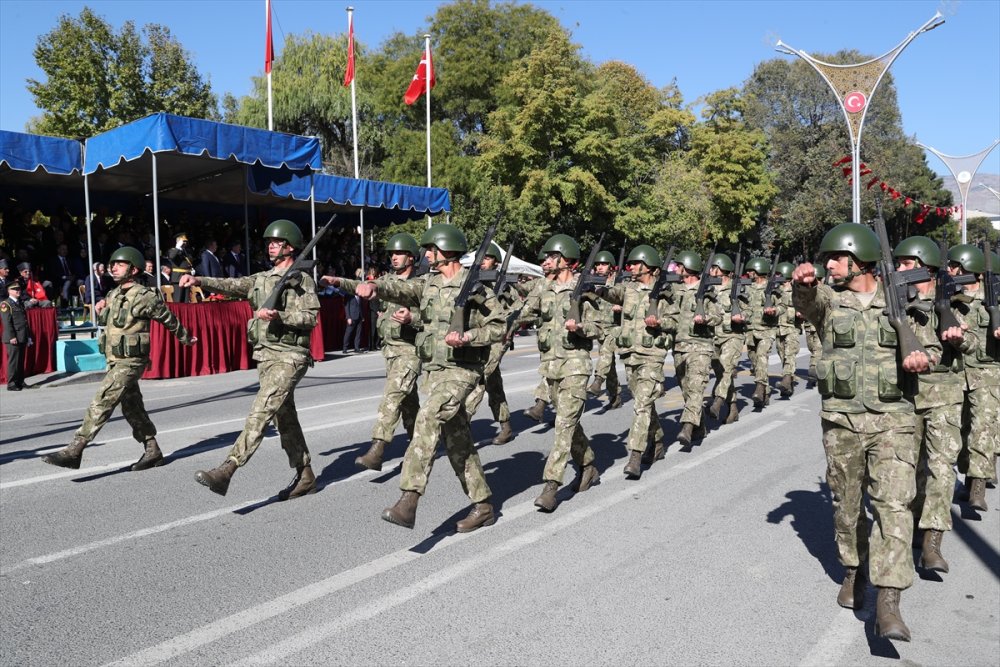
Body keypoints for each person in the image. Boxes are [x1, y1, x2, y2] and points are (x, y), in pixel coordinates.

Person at [792, 223, 934, 642]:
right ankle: (854, 570)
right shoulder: (829, 301)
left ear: (858, 260)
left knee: (893, 506)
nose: (828, 264)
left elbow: (932, 345)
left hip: (894, 421)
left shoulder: (904, 300)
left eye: (834, 257)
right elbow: (807, 304)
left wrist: (923, 355)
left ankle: (889, 602)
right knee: (847, 505)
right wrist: (802, 284)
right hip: (842, 421)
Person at [344, 223, 505, 532]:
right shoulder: (428, 284)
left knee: (427, 416)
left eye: (431, 249)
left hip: (462, 372)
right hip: (435, 372)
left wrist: (470, 334)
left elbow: (499, 326)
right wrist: (371, 287)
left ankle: (409, 499)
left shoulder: (474, 287)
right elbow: (400, 289)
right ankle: (483, 505)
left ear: (447, 251)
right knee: (458, 443)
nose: (426, 254)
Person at [182, 220, 320, 500]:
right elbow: (232, 284)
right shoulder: (261, 278)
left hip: (291, 356)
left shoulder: (302, 280)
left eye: (276, 242)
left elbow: (311, 318)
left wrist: (280, 316)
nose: (270, 245)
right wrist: (200, 280)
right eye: (268, 241)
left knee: (262, 409)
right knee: (284, 417)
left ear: (290, 247)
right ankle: (305, 475)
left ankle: (227, 469)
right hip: (266, 356)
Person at [42, 247, 195, 470]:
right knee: (132, 406)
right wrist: (100, 307)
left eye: (120, 264)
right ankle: (152, 450)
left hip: (131, 361)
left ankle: (75, 449)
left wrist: (186, 337)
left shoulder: (145, 296)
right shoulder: (114, 294)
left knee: (103, 398)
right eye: (112, 264)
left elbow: (168, 318)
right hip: (115, 359)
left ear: (133, 269)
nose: (113, 267)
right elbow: (108, 320)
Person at [893, 237, 970, 573]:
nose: (899, 270)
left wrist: (960, 337)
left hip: (944, 399)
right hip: (905, 398)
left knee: (940, 471)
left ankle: (932, 543)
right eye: (898, 264)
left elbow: (972, 341)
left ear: (925, 267)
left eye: (907, 264)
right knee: (909, 472)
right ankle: (911, 523)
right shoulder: (892, 301)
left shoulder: (953, 301)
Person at [516, 234, 605, 511]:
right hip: (551, 368)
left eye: (548, 257)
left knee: (562, 425)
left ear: (564, 260)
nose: (543, 262)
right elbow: (523, 314)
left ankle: (551, 487)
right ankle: (588, 465)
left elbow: (601, 327)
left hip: (576, 366)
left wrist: (581, 328)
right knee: (569, 423)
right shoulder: (542, 287)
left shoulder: (585, 287)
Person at [323, 233, 422, 471]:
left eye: (399, 253)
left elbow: (433, 319)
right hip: (390, 351)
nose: (394, 257)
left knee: (391, 397)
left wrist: (411, 318)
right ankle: (421, 442)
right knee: (408, 402)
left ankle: (377, 449)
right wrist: (339, 282)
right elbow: (365, 287)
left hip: (409, 351)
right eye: (392, 254)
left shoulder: (422, 283)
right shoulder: (386, 279)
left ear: (411, 257)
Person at [599, 245, 673, 478]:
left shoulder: (665, 293)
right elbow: (612, 294)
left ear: (647, 266)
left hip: (652, 356)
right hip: (629, 354)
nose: (629, 267)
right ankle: (658, 439)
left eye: (634, 264)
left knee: (640, 405)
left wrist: (659, 323)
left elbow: (675, 323)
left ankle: (635, 456)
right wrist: (596, 289)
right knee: (645, 403)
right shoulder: (629, 289)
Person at [947, 244, 1000, 511]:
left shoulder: (994, 299)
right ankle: (969, 475)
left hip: (987, 373)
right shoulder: (950, 299)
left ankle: (978, 484)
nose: (949, 271)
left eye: (954, 266)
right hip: (956, 374)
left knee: (982, 428)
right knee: (962, 431)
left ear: (969, 269)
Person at [669, 250, 723, 447]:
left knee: (696, 388)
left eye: (678, 265)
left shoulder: (707, 290)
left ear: (687, 267)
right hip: (679, 347)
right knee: (686, 389)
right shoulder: (676, 290)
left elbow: (718, 317)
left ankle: (687, 427)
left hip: (701, 347)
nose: (675, 269)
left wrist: (705, 319)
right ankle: (699, 425)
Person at [464, 242, 516, 445]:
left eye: (487, 258)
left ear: (495, 261)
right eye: (481, 258)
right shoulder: (473, 281)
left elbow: (520, 308)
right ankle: (506, 426)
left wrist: (507, 325)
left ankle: (463, 420)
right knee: (493, 384)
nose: (483, 262)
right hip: (478, 336)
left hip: (497, 339)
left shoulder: (503, 285)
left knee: (480, 377)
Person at [707, 253, 745, 424]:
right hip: (713, 336)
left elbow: (751, 311)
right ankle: (734, 406)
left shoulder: (737, 288)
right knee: (722, 372)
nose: (712, 271)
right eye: (712, 268)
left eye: (716, 268)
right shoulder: (708, 289)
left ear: (725, 271)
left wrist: (741, 316)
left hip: (733, 335)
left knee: (727, 367)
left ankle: (718, 401)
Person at [587, 250, 623, 409]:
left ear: (611, 267)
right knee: (609, 363)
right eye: (598, 264)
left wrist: (621, 306)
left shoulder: (620, 282)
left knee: (606, 353)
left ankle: (597, 381)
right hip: (599, 327)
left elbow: (630, 300)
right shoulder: (594, 282)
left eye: (604, 264)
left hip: (615, 327)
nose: (600, 267)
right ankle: (615, 394)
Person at [744, 256, 778, 408]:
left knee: (761, 356)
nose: (749, 273)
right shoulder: (747, 287)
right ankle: (766, 389)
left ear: (759, 270)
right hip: (751, 330)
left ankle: (759, 387)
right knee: (755, 361)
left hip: (766, 329)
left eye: (751, 270)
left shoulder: (771, 287)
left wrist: (774, 310)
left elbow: (783, 305)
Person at [773, 262, 799, 397]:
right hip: (778, 328)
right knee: (782, 355)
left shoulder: (797, 290)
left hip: (792, 328)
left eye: (779, 274)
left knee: (790, 355)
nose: (777, 277)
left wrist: (800, 312)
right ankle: (788, 383)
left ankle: (787, 379)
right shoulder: (776, 291)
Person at [1, 282, 32, 391]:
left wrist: (27, 336)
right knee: (13, 361)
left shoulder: (19, 303)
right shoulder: (6, 304)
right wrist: (12, 336)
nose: (18, 291)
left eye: (19, 289)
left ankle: (20, 381)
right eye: (15, 289)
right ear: (9, 291)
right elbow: (7, 322)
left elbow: (24, 321)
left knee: (20, 360)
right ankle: (11, 384)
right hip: (13, 337)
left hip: (22, 335)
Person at [167, 232, 195, 302]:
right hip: (178, 278)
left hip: (187, 277)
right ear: (179, 241)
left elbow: (189, 261)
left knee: (186, 300)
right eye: (183, 241)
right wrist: (177, 247)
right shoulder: (173, 250)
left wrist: (191, 270)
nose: (185, 243)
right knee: (178, 300)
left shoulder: (186, 251)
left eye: (186, 241)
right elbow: (171, 256)